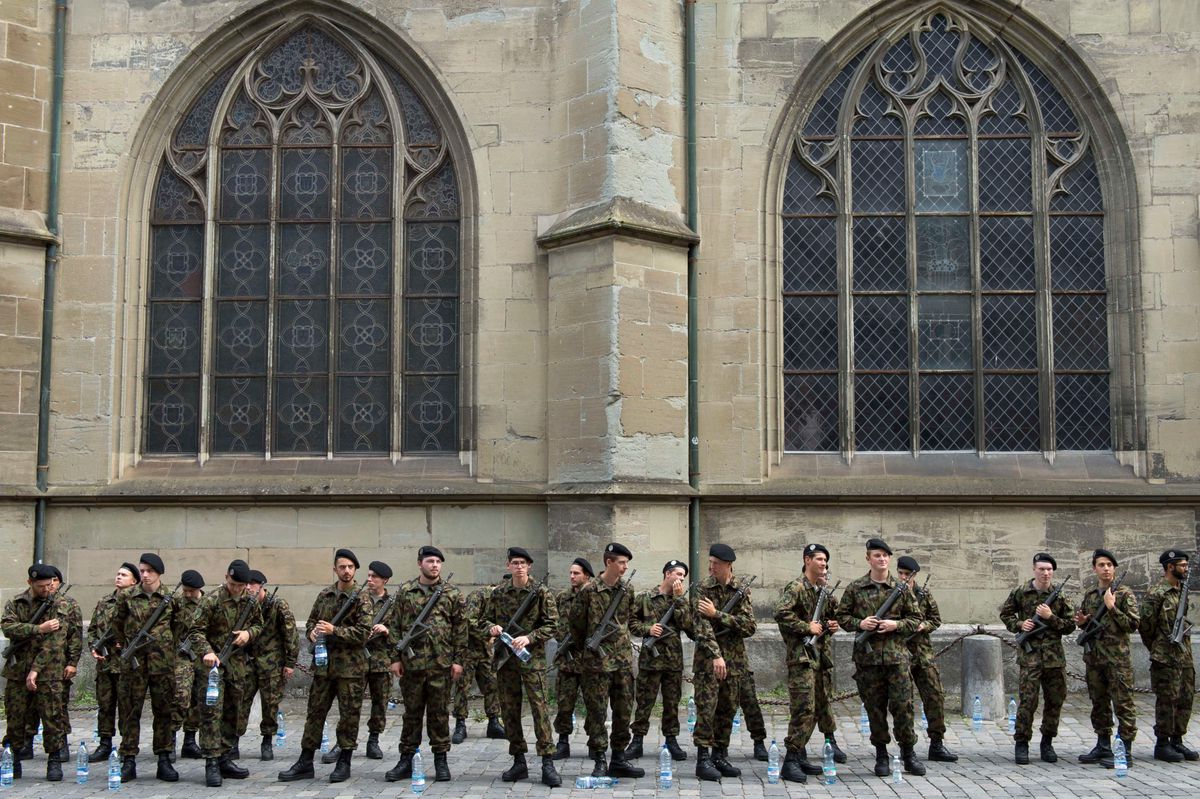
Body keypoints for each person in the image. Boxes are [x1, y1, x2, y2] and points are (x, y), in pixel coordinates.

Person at [278, 549, 371, 783]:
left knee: (349, 716)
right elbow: (311, 620)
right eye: (342, 567)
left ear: (355, 570)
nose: (346, 571)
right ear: (335, 569)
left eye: (350, 567)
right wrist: (311, 632)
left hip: (350, 669)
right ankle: (305, 761)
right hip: (324, 667)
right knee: (315, 713)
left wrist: (334, 630)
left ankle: (344, 762)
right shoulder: (325, 595)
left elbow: (363, 632)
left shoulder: (362, 597)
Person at [837, 538, 925, 778]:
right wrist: (860, 623)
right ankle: (881, 755)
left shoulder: (902, 588)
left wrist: (895, 624)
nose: (882, 559)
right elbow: (841, 617)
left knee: (903, 707)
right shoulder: (856, 588)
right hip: (868, 662)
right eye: (877, 555)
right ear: (868, 559)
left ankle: (909, 753)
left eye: (886, 555)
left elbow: (917, 619)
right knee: (875, 709)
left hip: (897, 660)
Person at [479, 547, 562, 786]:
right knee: (510, 710)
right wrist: (491, 628)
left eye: (523, 563)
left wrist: (530, 637)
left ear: (529, 566)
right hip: (506, 659)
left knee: (540, 709)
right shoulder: (498, 593)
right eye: (514, 563)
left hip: (531, 659)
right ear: (508, 566)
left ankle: (548, 762)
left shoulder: (540, 593)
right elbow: (482, 619)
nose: (519, 567)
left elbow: (552, 625)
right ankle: (519, 761)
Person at [384, 546, 465, 784]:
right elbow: (394, 626)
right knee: (411, 714)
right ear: (420, 563)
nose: (435, 565)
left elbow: (461, 630)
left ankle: (441, 759)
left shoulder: (451, 594)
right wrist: (395, 658)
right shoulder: (406, 592)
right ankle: (406, 759)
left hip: (441, 664)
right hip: (412, 665)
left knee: (439, 714)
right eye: (430, 561)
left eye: (438, 561)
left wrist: (459, 660)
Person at [567, 542, 645, 780]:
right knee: (597, 712)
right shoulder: (589, 591)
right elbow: (576, 624)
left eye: (626, 563)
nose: (625, 567)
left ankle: (619, 758)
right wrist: (589, 648)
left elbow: (629, 620)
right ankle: (600, 758)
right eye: (621, 562)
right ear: (608, 562)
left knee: (623, 711)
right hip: (596, 664)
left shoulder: (628, 590)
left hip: (621, 662)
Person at [111, 553, 190, 783]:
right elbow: (117, 625)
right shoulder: (126, 596)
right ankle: (128, 759)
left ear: (159, 573)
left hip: (161, 664)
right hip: (133, 665)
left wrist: (164, 647)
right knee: (129, 711)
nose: (145, 575)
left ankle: (164, 758)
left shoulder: (171, 599)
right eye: (142, 570)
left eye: (149, 571)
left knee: (164, 711)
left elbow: (180, 626)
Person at [627, 559, 713, 763]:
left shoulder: (680, 600)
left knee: (672, 704)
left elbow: (690, 628)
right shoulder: (646, 597)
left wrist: (679, 600)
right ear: (667, 574)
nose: (681, 579)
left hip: (673, 661)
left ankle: (671, 740)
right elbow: (632, 623)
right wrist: (647, 630)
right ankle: (637, 740)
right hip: (651, 660)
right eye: (678, 574)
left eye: (683, 576)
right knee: (644, 703)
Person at [188, 559, 263, 787]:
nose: (236, 589)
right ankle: (211, 761)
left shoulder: (250, 601)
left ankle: (225, 757)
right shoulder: (212, 599)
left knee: (233, 710)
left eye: (240, 585)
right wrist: (207, 651)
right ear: (226, 578)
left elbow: (259, 624)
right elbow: (195, 631)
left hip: (237, 666)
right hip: (213, 666)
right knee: (212, 713)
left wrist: (249, 634)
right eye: (232, 584)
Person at [1, 564, 79, 782]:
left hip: (48, 671)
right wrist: (37, 629)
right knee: (16, 717)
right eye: (42, 586)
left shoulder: (59, 603)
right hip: (18, 671)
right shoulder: (16, 603)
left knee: (52, 716)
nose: (47, 589)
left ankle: (54, 760)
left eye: (49, 584)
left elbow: (55, 642)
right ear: (30, 583)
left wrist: (35, 670)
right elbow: (8, 627)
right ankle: (14, 758)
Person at [999, 552, 1074, 765]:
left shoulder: (1060, 597)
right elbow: (1005, 614)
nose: (1046, 573)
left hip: (1054, 659)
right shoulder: (1021, 592)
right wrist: (1020, 625)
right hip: (1030, 657)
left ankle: (1047, 742)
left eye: (1049, 569)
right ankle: (1021, 743)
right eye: (1042, 569)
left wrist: (1051, 618)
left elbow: (1069, 626)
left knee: (1054, 701)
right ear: (1034, 569)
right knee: (1027, 702)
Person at [773, 543, 840, 782]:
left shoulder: (819, 591)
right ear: (807, 560)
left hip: (818, 658)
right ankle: (790, 761)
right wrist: (806, 627)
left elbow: (831, 618)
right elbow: (781, 613)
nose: (824, 564)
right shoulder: (797, 587)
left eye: (825, 561)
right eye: (820, 559)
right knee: (804, 709)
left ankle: (800, 755)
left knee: (814, 710)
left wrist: (830, 626)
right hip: (801, 658)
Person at [691, 543, 754, 782]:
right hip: (708, 660)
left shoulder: (741, 590)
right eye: (710, 563)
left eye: (715, 564)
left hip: (735, 660)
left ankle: (719, 754)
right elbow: (701, 628)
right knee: (707, 708)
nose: (711, 567)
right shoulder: (701, 589)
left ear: (728, 565)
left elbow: (749, 626)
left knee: (728, 708)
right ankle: (703, 758)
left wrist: (718, 614)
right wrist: (716, 656)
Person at [1074, 548, 1138, 767]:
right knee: (1098, 703)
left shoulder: (1124, 594)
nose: (1106, 568)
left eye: (1110, 565)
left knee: (1123, 705)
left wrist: (1112, 607)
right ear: (1094, 569)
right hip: (1094, 660)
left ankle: (1125, 752)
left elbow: (1132, 625)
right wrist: (1082, 622)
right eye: (1101, 565)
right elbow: (1086, 623)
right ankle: (1103, 746)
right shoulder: (1091, 596)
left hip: (1117, 661)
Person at [896, 556, 957, 763]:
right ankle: (907, 747)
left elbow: (935, 619)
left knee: (935, 695)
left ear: (914, 576)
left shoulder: (924, 594)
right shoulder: (892, 593)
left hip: (922, 653)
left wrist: (924, 626)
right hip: (900, 652)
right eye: (901, 573)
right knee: (904, 702)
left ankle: (937, 743)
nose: (903, 577)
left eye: (907, 574)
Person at [1139, 549, 1197, 763]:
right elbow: (1145, 626)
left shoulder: (1181, 589)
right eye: (1182, 565)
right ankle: (1162, 743)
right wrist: (1158, 648)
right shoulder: (1157, 593)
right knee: (1167, 700)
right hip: (1165, 657)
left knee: (1185, 698)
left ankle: (1177, 739)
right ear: (1170, 567)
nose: (1186, 568)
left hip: (1185, 656)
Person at [241, 570, 297, 762]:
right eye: (246, 584)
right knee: (240, 702)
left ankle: (267, 740)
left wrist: (290, 662)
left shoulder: (277, 605)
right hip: (248, 662)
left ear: (262, 585)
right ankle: (232, 740)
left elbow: (290, 634)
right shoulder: (244, 605)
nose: (248, 587)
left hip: (272, 663)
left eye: (253, 584)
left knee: (270, 704)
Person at [88, 562, 140, 764]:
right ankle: (104, 742)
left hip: (126, 664)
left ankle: (127, 745)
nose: (118, 577)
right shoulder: (104, 602)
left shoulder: (136, 604)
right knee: (105, 705)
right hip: (105, 663)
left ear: (134, 581)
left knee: (128, 706)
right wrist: (95, 647)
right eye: (118, 574)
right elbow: (93, 629)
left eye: (124, 575)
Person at [451, 583, 505, 744]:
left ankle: (494, 722)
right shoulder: (479, 595)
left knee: (492, 684)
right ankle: (460, 724)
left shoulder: (502, 600)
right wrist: (489, 630)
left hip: (485, 650)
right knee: (463, 687)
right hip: (468, 648)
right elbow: (469, 621)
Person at [551, 557, 592, 759]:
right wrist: (563, 640)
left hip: (589, 660)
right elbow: (556, 623)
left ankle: (595, 742)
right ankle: (563, 741)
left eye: (576, 573)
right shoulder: (563, 597)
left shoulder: (594, 595)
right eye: (570, 573)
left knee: (594, 704)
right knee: (564, 703)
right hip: (567, 660)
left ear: (586, 575)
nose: (572, 576)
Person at [357, 560, 395, 762]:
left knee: (379, 703)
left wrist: (386, 630)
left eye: (374, 577)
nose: (369, 580)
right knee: (351, 704)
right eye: (369, 575)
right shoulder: (358, 599)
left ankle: (373, 740)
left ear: (385, 580)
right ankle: (344, 741)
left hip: (381, 661)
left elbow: (401, 630)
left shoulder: (393, 603)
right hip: (356, 661)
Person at [172, 569, 206, 761]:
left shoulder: (208, 603)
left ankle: (190, 741)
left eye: (191, 591)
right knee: (181, 695)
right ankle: (170, 740)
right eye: (185, 590)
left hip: (202, 656)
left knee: (198, 699)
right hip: (182, 655)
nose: (187, 595)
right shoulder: (177, 603)